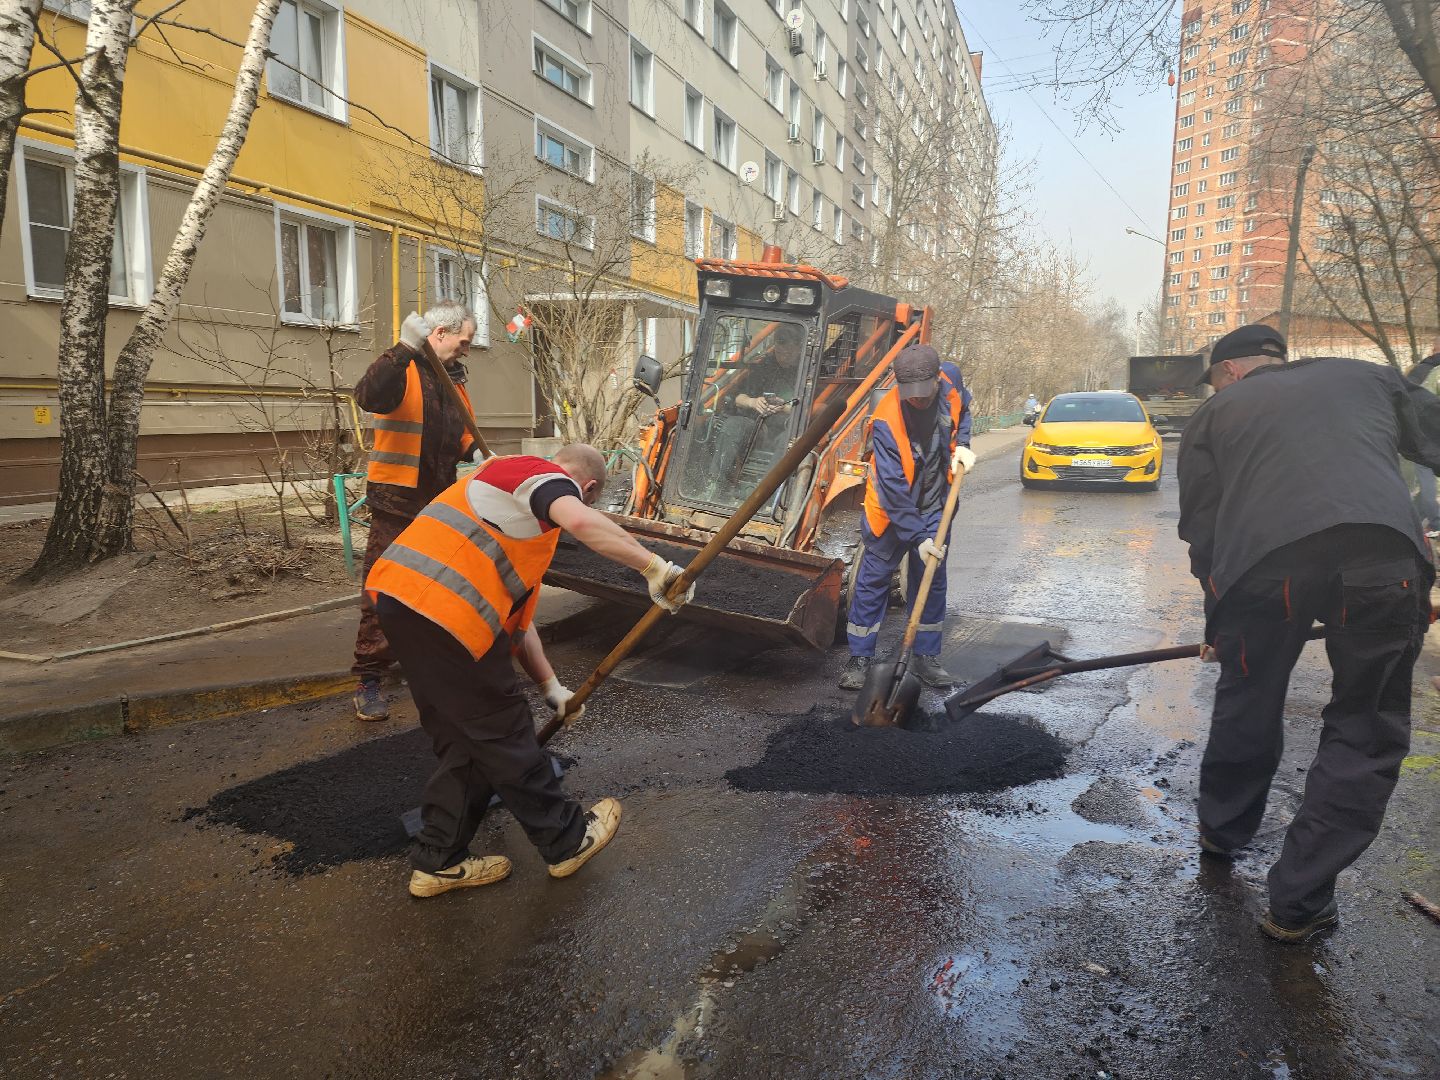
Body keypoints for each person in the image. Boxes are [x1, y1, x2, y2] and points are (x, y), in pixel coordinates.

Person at [1177, 323, 1440, 943]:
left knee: (1249, 690)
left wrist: (1221, 609)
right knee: (1365, 727)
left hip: (1263, 573)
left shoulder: (1216, 415)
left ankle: (1222, 829)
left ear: (1233, 371)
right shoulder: (1371, 380)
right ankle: (1298, 902)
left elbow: (1202, 528)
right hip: (1384, 564)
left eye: (1215, 378)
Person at [366, 444, 695, 897]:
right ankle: (567, 840)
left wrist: (551, 687)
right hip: (444, 615)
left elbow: (518, 628)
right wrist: (653, 566)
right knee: (502, 732)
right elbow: (581, 521)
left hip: (404, 604)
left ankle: (439, 860)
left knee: (466, 739)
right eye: (582, 499)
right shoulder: (534, 472)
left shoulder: (517, 526)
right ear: (588, 487)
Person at [350, 302, 482, 723]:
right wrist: (403, 347)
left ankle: (427, 668)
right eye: (463, 341)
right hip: (396, 500)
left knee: (433, 589)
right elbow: (367, 395)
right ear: (439, 333)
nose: (466, 349)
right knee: (383, 589)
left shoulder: (452, 381)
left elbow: (459, 432)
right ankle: (369, 678)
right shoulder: (403, 368)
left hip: (436, 503)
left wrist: (479, 452)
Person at [838, 344, 975, 691]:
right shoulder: (885, 419)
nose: (915, 400)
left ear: (935, 381)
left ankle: (925, 656)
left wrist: (963, 446)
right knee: (873, 581)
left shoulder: (951, 381)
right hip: (890, 511)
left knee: (931, 579)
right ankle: (860, 657)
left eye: (922, 393)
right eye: (908, 394)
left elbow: (966, 412)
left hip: (936, 505)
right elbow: (894, 488)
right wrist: (919, 538)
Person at [710, 324, 804, 499]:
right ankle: (717, 486)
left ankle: (765, 495)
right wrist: (753, 402)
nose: (784, 357)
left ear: (799, 348)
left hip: (786, 429)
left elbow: (814, 409)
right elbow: (735, 396)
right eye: (780, 352)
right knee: (733, 425)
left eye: (789, 353)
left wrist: (784, 407)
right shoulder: (764, 366)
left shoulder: (808, 373)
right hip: (759, 426)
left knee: (791, 441)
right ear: (775, 346)